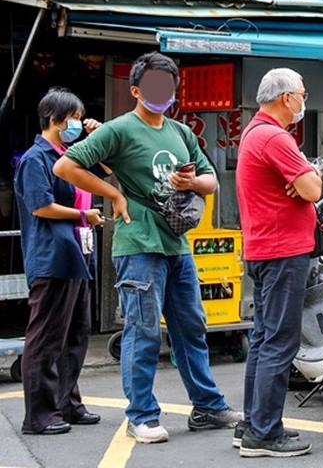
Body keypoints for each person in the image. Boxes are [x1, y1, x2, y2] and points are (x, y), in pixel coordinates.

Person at [54, 52, 241, 444]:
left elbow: (211, 180)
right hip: (138, 244)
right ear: (136, 90)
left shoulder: (180, 132)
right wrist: (114, 195)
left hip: (176, 245)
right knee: (143, 332)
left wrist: (191, 183)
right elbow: (66, 166)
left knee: (191, 328)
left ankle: (207, 406)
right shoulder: (119, 130)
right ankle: (141, 415)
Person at [233, 68, 323, 457]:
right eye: (302, 94)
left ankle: (252, 424)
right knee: (279, 341)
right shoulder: (275, 137)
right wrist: (310, 173)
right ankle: (265, 433)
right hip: (282, 251)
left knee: (264, 339)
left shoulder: (255, 133)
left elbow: (303, 186)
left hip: (264, 248)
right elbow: (313, 188)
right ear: (287, 97)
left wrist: (304, 178)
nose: (303, 101)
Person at [15, 89, 104, 436]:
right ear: (55, 119)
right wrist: (83, 215)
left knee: (75, 335)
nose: (78, 123)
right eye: (74, 118)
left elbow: (108, 170)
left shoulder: (71, 156)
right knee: (46, 338)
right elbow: (40, 206)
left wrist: (98, 137)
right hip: (52, 256)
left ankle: (67, 403)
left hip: (78, 255)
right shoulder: (35, 159)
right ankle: (39, 415)